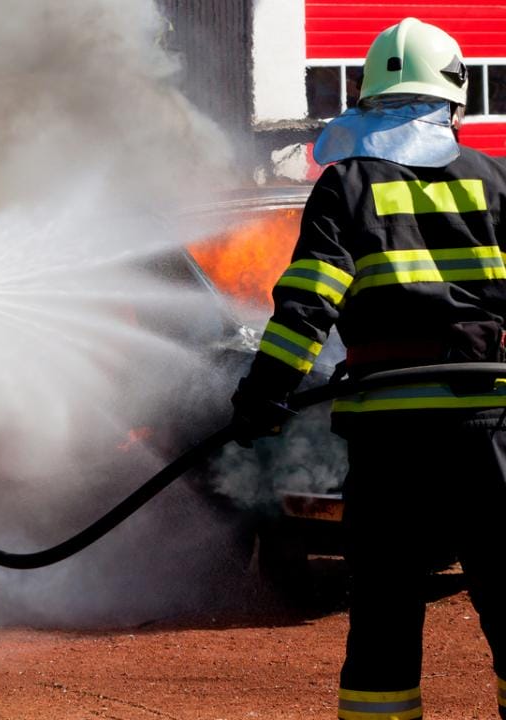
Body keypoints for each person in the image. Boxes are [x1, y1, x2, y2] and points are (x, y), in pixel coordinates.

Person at [230, 18, 506, 720]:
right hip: (493, 433)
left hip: (394, 444)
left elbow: (306, 309)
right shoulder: (494, 181)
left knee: (384, 621)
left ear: (367, 95)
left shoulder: (346, 186)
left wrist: (263, 398)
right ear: (456, 96)